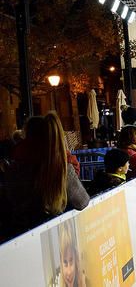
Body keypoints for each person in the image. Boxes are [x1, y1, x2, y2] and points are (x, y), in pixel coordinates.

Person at [0, 113, 89, 241]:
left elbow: (9, 201)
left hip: (17, 235)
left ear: (26, 135)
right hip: (54, 237)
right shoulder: (61, 168)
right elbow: (82, 201)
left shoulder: (13, 167)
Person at [58, 220, 87, 287]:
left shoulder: (83, 282)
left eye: (71, 262)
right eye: (65, 263)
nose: (69, 272)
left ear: (75, 259)